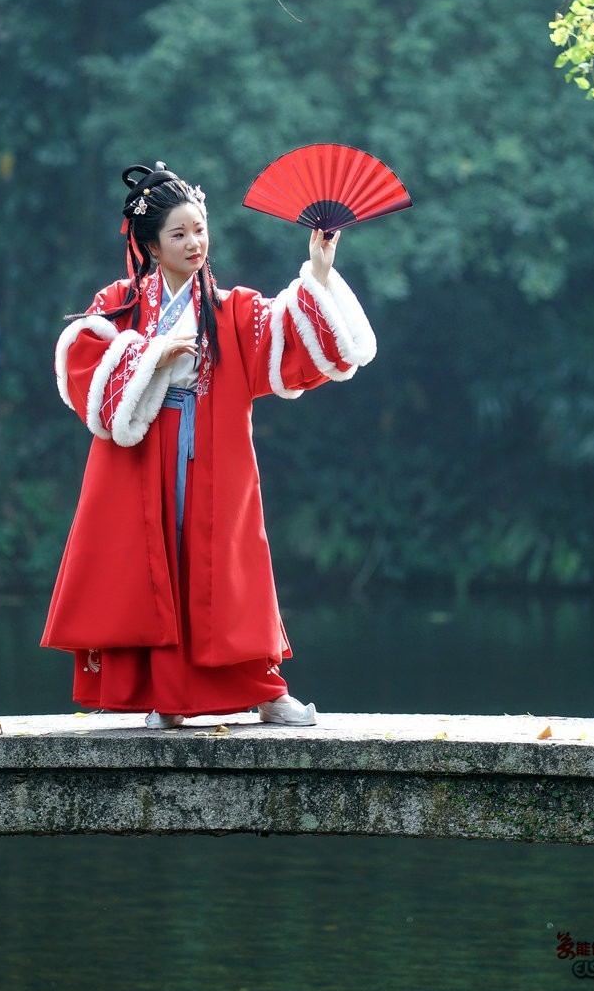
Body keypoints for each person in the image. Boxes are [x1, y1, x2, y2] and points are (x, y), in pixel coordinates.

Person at [41, 161, 377, 728]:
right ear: (151, 244)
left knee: (230, 570)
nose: (194, 242)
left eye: (200, 229)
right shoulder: (122, 302)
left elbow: (293, 342)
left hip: (215, 456)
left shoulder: (229, 310)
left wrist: (318, 272)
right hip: (143, 456)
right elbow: (81, 361)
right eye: (179, 233)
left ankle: (267, 692)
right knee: (155, 569)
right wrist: (151, 354)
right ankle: (166, 699)